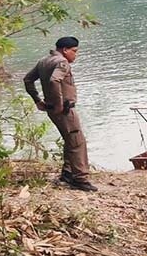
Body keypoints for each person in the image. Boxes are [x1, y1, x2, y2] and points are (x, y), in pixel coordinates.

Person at [23, 36, 96, 191]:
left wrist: (37, 100)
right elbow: (54, 80)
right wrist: (59, 104)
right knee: (77, 141)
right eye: (74, 51)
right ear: (65, 50)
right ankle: (80, 178)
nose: (75, 55)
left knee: (70, 139)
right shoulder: (62, 63)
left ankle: (68, 173)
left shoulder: (44, 61)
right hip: (64, 109)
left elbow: (28, 80)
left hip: (52, 108)